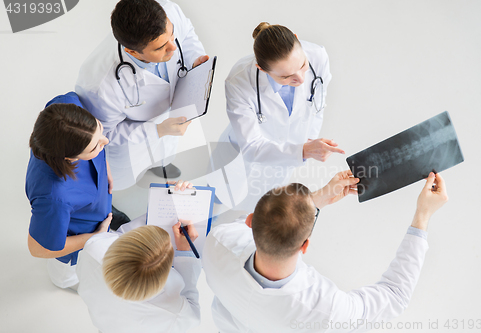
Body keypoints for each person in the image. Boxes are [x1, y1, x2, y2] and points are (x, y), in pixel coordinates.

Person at [202, 171, 448, 332]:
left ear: (250, 221)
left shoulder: (216, 244)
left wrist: (317, 200)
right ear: (305, 246)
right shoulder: (325, 310)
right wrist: (423, 214)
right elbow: (394, 295)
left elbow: (251, 227)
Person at [76, 0, 209, 190]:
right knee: (122, 178)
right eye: (160, 47)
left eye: (172, 36)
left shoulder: (167, 11)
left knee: (164, 151)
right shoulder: (100, 86)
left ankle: (160, 164)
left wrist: (195, 60)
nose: (173, 47)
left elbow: (186, 33)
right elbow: (105, 134)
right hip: (130, 143)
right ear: (131, 51)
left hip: (166, 118)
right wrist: (158, 130)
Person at [213, 22, 342, 212]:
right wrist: (303, 150)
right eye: (286, 77)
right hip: (240, 155)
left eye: (303, 65)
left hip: (283, 159)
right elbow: (251, 147)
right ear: (262, 69)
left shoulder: (318, 56)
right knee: (219, 198)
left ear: (297, 38)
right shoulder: (239, 81)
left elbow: (317, 105)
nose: (300, 79)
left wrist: (309, 141)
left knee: (258, 209)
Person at [76, 182, 202, 333]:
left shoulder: (93, 248)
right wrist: (184, 252)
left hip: (105, 324)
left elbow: (120, 237)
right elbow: (192, 308)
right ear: (164, 278)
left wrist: (101, 235)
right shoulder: (175, 312)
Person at [26, 92, 113, 289]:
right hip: (77, 244)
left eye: (99, 127)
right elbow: (38, 248)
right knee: (71, 277)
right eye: (95, 148)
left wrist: (104, 166)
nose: (105, 141)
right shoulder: (54, 195)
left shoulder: (65, 109)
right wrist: (93, 238)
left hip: (95, 214)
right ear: (69, 158)